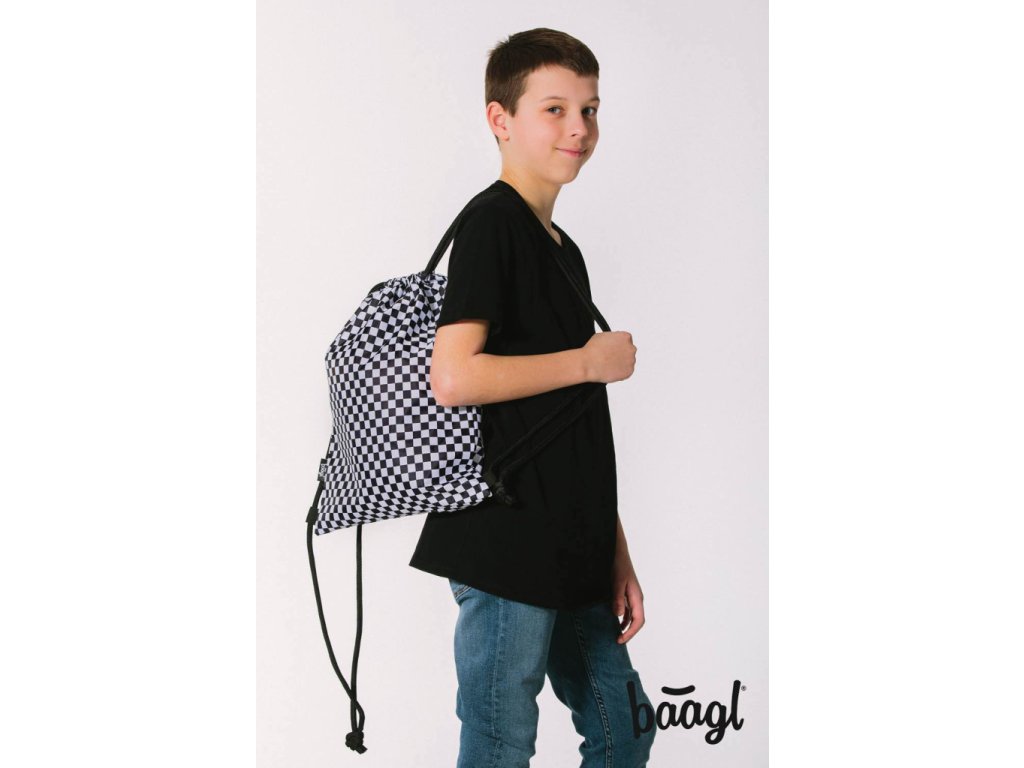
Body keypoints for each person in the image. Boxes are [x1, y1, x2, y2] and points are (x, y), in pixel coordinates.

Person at [409, 28, 656, 768]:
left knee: (624, 730)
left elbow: (569, 425)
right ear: (501, 120)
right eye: (555, 109)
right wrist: (586, 361)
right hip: (505, 537)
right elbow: (453, 377)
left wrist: (614, 552)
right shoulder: (493, 224)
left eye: (589, 109)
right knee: (501, 743)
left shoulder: (561, 247)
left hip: (569, 540)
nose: (578, 127)